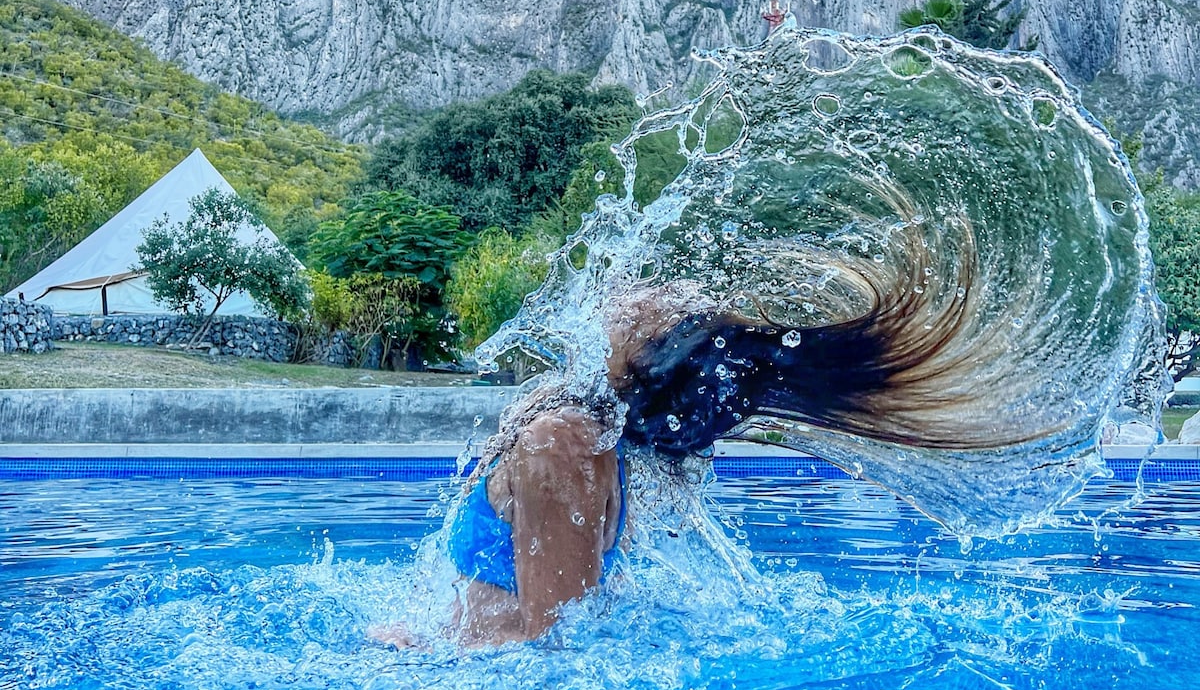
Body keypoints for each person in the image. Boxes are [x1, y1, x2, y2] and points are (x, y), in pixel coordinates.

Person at [375, 216, 1014, 651]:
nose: (641, 289)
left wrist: (430, 647)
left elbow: (553, 647)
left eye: (669, 303)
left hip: (447, 688)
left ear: (646, 357)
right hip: (453, 681)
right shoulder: (586, 427)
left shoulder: (568, 446)